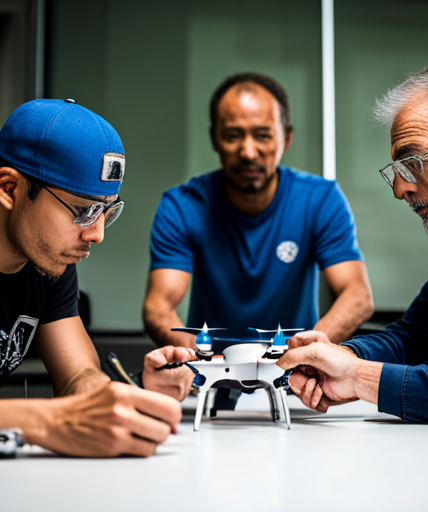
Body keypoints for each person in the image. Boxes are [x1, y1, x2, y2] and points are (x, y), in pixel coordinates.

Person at [277, 58, 428, 425]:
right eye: (397, 172)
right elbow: (420, 337)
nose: (401, 188)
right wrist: (341, 356)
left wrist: (361, 377)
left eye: (415, 161)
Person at [0, 99, 196, 457]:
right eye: (83, 210)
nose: (97, 234)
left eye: (107, 211)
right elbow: (62, 415)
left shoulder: (48, 264)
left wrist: (125, 394)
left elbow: (78, 377)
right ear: (10, 189)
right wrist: (48, 421)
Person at [143, 72, 374, 353]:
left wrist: (303, 353)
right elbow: (159, 308)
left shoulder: (320, 200)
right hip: (210, 376)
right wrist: (208, 361)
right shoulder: (182, 206)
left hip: (294, 375)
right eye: (233, 136)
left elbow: (358, 296)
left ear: (286, 138)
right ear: (215, 139)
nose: (248, 152)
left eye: (263, 135)